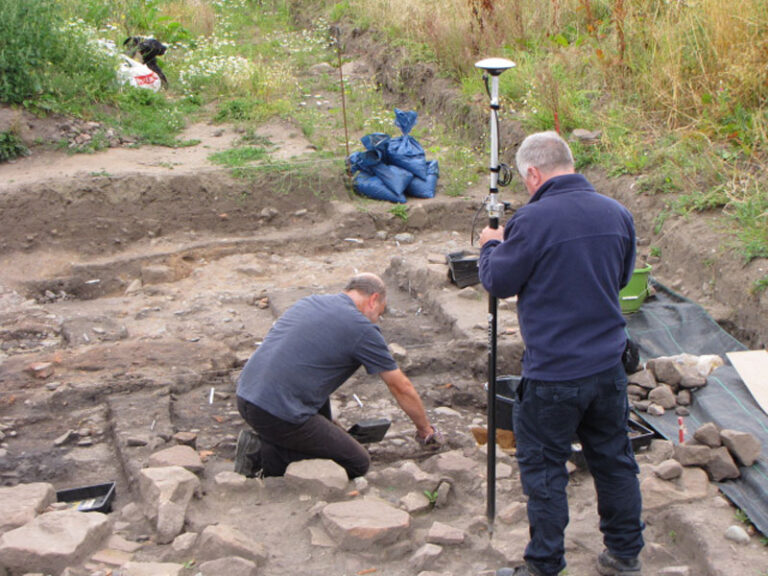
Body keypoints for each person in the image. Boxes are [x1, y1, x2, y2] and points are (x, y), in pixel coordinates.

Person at [478, 131, 645, 576]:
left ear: (533, 173)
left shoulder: (533, 221)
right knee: (613, 459)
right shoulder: (617, 214)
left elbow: (499, 282)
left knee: (545, 469)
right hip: (608, 366)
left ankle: (544, 565)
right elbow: (622, 277)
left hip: (553, 374)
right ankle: (625, 555)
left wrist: (490, 246)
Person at [235, 273, 441, 479]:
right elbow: (400, 387)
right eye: (380, 311)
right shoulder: (362, 329)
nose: (378, 318)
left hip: (246, 393)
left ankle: (276, 441)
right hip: (276, 412)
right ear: (373, 300)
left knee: (329, 424)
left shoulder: (311, 302)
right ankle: (264, 455)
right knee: (357, 462)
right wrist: (425, 430)